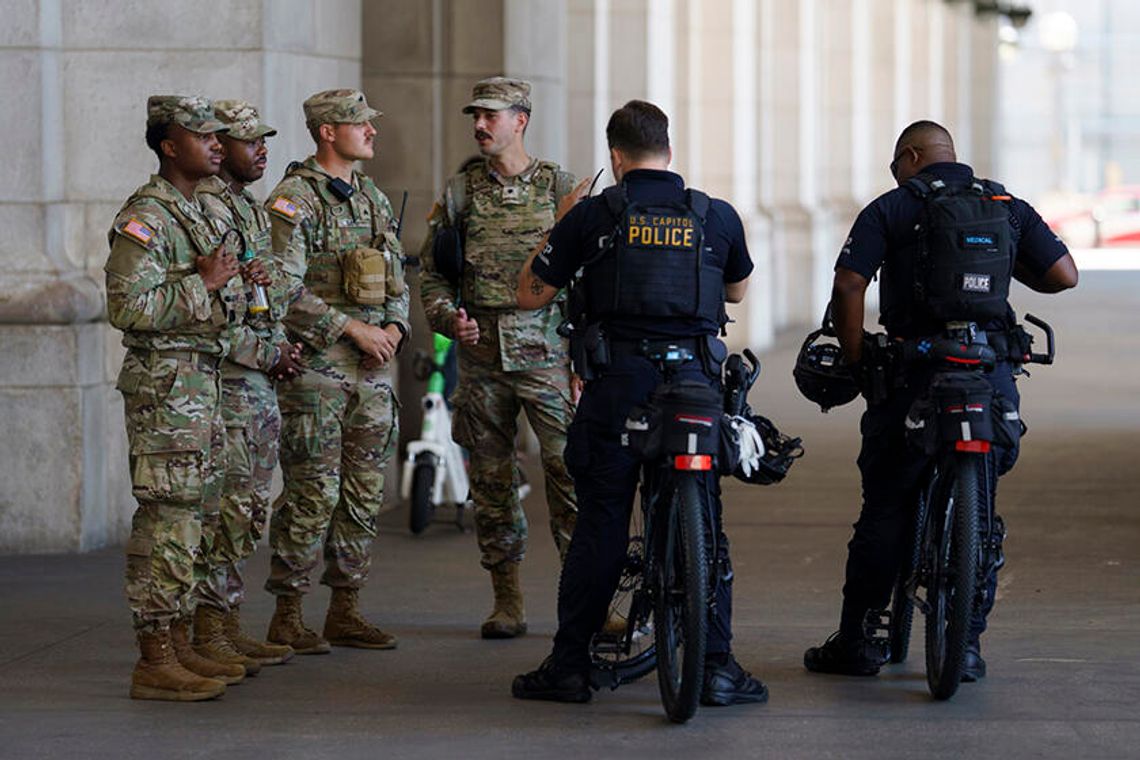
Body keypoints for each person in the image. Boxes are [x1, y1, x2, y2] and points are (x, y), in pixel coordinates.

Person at [511, 100, 766, 706]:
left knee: (601, 523)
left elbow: (528, 293)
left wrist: (562, 221)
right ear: (669, 153)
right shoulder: (715, 215)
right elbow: (736, 288)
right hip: (696, 388)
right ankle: (717, 668)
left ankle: (570, 667)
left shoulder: (595, 215)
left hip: (618, 386)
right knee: (706, 522)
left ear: (615, 158)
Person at [803, 120, 1078, 680]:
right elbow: (1064, 275)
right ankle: (968, 643)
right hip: (989, 376)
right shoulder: (1006, 205)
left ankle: (858, 639)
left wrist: (859, 361)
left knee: (886, 505)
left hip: (914, 374)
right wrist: (1007, 270)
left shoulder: (892, 208)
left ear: (910, 156)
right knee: (983, 513)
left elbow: (850, 285)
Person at [419, 77, 579, 639]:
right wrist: (447, 318)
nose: (480, 126)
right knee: (491, 480)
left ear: (521, 120)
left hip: (547, 357)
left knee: (570, 474)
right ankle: (506, 599)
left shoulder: (560, 188)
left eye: (492, 116)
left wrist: (583, 360)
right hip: (482, 358)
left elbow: (583, 278)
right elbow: (433, 275)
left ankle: (584, 599)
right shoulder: (460, 192)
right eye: (476, 117)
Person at [106, 95, 252, 700]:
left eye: (221, 136)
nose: (218, 143)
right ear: (170, 145)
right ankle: (154, 656)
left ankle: (184, 641)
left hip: (203, 382)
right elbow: (126, 307)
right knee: (167, 519)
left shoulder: (202, 211)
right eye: (203, 136)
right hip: (166, 391)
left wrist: (238, 284)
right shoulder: (147, 215)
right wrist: (204, 283)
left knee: (198, 519)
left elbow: (221, 298)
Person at [262, 89, 410, 654]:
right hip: (319, 376)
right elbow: (280, 287)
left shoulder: (370, 197)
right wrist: (352, 330)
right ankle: (288, 613)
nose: (371, 132)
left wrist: (394, 329)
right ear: (328, 132)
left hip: (372, 374)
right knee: (312, 493)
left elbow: (397, 277)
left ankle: (345, 608)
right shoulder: (295, 201)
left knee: (363, 492)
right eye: (359, 124)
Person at [194, 99, 302, 669]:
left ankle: (227, 622)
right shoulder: (208, 209)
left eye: (264, 139)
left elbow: (269, 290)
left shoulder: (250, 208)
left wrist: (280, 343)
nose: (260, 149)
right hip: (231, 382)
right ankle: (208, 629)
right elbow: (216, 313)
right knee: (227, 508)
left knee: (248, 509)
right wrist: (269, 353)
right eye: (247, 141)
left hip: (257, 379)